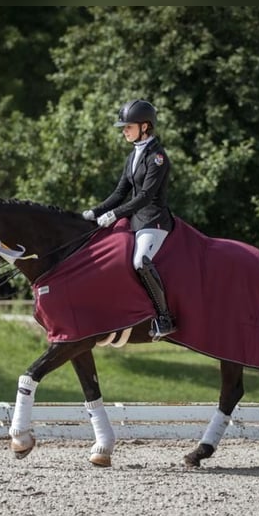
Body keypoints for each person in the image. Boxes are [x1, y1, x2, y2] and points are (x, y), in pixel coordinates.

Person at [83, 99, 177, 341]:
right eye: (123, 127)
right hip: (135, 219)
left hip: (153, 220)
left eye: (128, 127)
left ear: (145, 127)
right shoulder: (132, 156)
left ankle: (164, 318)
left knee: (140, 262)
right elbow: (119, 193)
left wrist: (114, 214)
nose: (124, 131)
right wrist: (93, 212)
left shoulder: (157, 157)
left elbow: (146, 196)